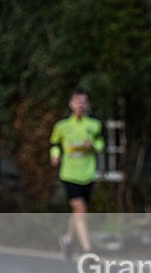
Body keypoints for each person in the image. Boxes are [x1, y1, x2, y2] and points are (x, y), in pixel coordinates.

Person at [49, 88, 105, 261]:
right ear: (71, 104)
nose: (80, 105)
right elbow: (54, 144)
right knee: (80, 209)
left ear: (87, 104)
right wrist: (55, 155)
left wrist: (93, 146)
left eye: (83, 102)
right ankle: (88, 251)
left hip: (87, 173)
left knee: (78, 212)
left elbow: (101, 143)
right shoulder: (62, 126)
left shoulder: (94, 125)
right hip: (69, 174)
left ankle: (67, 240)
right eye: (77, 101)